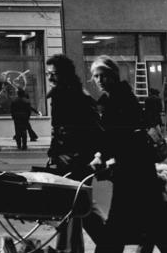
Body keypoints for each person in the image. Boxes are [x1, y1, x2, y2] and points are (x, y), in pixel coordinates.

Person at [91, 56, 167, 253]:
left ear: (113, 75)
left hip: (134, 179)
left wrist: (106, 158)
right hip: (136, 179)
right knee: (161, 234)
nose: (99, 80)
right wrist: (104, 155)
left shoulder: (120, 100)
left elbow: (122, 138)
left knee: (116, 237)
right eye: (95, 76)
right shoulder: (114, 98)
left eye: (103, 75)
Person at [44, 54, 107, 252]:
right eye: (48, 74)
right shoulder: (65, 94)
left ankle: (74, 249)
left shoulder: (76, 96)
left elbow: (94, 132)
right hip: (69, 161)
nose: (50, 78)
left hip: (76, 162)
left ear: (64, 74)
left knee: (73, 206)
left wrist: (74, 157)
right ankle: (110, 243)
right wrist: (55, 152)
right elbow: (60, 130)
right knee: (80, 207)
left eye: (53, 74)